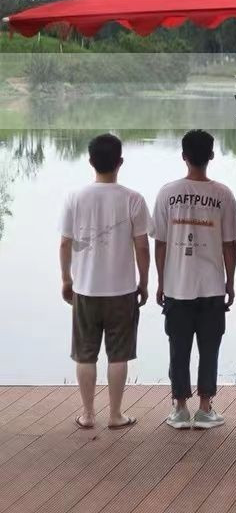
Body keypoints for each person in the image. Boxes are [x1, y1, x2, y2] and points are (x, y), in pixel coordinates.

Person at [59, 133, 150, 430]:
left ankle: (87, 414)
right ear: (120, 162)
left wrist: (66, 279)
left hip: (85, 288)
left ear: (90, 161)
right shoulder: (133, 199)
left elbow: (65, 243)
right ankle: (115, 414)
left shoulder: (74, 198)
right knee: (118, 355)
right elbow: (142, 247)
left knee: (85, 354)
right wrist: (144, 281)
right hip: (122, 290)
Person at [154, 130, 236, 429]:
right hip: (212, 284)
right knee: (209, 348)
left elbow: (161, 242)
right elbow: (230, 244)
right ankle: (205, 408)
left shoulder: (167, 193)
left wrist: (161, 281)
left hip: (177, 284)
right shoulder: (223, 194)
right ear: (212, 155)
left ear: (184, 156)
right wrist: (231, 281)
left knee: (178, 348)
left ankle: (179, 408)